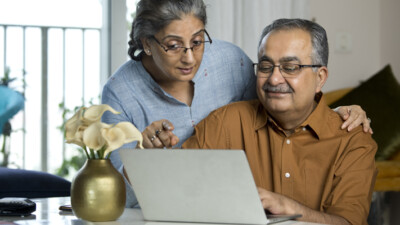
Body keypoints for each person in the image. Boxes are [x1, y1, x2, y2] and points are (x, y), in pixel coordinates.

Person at [101, 0, 371, 208]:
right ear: (147, 44)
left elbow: (277, 104)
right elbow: (116, 197)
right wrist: (141, 158)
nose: (189, 58)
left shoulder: (232, 62)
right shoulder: (120, 93)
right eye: (173, 45)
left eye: (197, 41)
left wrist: (325, 114)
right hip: (173, 206)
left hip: (239, 205)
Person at [178, 19, 377, 225]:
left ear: (320, 78)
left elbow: (349, 222)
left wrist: (292, 210)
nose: (274, 79)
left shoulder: (352, 140)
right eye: (265, 66)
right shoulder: (224, 123)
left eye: (290, 67)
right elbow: (179, 194)